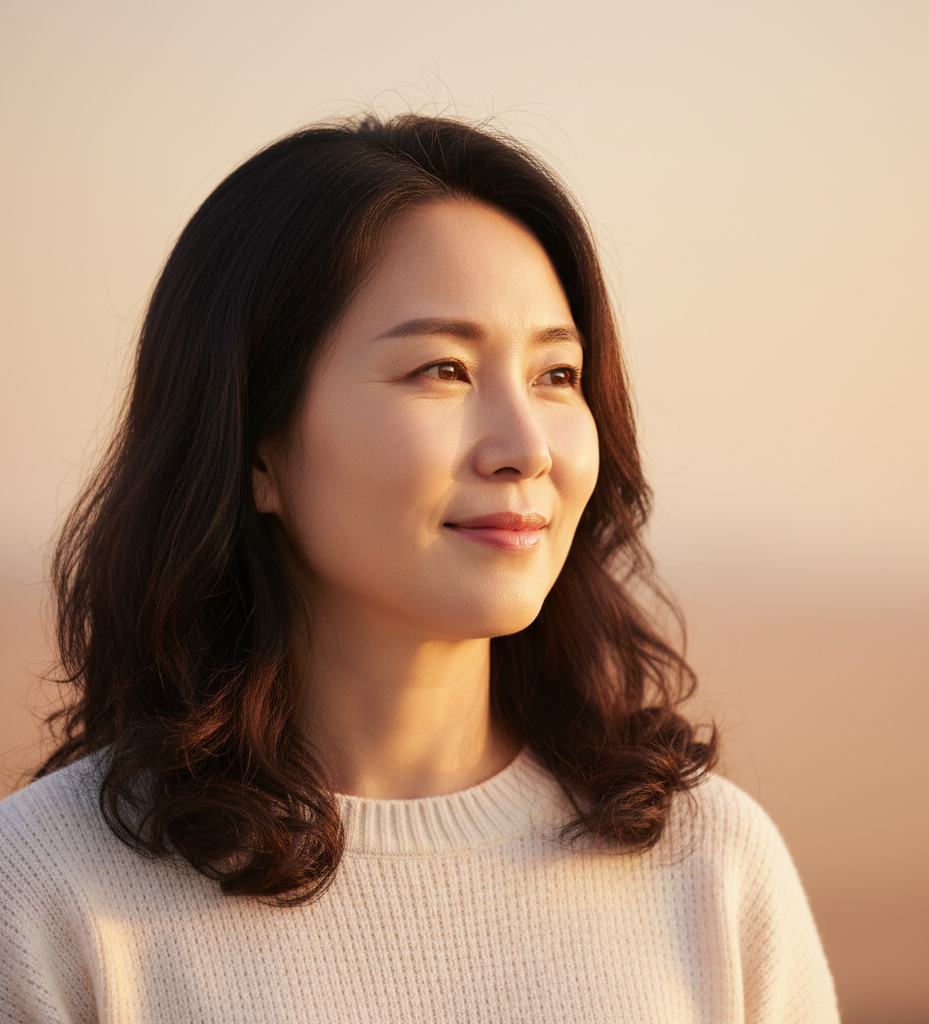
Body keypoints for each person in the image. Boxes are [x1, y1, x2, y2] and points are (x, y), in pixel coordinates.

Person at [0, 113, 840, 1022]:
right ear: (255, 447)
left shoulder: (708, 870)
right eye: (442, 369)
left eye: (557, 376)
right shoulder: (48, 897)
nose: (525, 449)